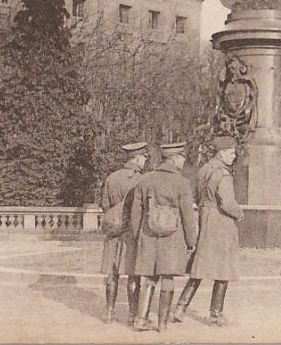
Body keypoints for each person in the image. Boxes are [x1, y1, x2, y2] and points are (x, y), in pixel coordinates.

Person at [171, 135, 244, 326]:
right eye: (230, 152)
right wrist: (239, 213)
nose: (233, 156)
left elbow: (195, 195)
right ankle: (215, 314)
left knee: (199, 267)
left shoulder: (203, 170)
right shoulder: (223, 174)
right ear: (221, 153)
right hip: (222, 223)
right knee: (223, 268)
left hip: (205, 219)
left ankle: (180, 308)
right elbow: (227, 203)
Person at [128, 141, 198, 332]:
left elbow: (136, 214)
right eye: (182, 158)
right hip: (173, 238)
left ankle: (141, 319)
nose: (184, 161)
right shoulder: (182, 183)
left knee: (149, 277)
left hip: (148, 236)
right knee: (167, 277)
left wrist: (137, 237)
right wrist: (191, 242)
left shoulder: (145, 180)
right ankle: (162, 324)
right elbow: (187, 217)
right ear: (174, 159)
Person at [99, 141, 148, 324]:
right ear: (137, 158)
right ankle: (132, 315)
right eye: (144, 157)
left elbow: (104, 205)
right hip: (131, 234)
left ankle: (109, 314)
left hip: (113, 233)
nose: (145, 161)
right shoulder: (140, 180)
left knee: (112, 274)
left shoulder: (112, 178)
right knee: (133, 273)